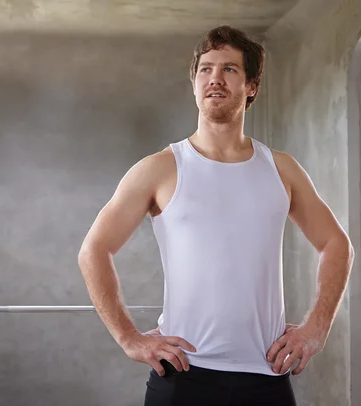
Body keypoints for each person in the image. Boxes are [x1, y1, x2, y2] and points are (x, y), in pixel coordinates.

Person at [77, 25, 354, 406]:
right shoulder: (159, 169)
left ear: (251, 85)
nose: (214, 79)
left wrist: (316, 328)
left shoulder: (282, 170)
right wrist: (129, 337)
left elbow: (336, 243)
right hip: (183, 376)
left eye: (229, 69)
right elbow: (94, 249)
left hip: (265, 377)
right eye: (205, 69)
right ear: (194, 83)